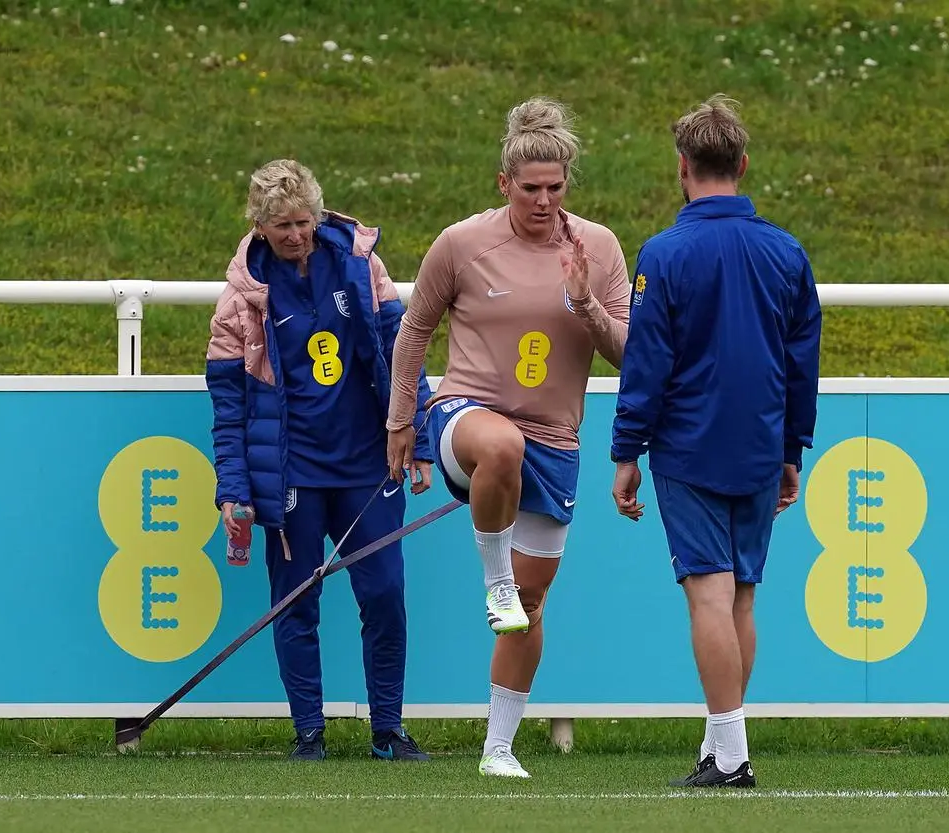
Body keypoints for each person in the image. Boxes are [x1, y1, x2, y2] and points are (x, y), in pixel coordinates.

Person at [384, 98, 632, 778]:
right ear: (504, 184)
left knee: (531, 605)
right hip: (469, 417)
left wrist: (586, 302)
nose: (545, 201)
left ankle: (498, 747)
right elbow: (414, 330)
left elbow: (631, 352)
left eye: (556, 188)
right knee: (501, 448)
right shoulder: (463, 243)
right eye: (531, 189)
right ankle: (492, 577)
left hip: (555, 438)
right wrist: (401, 418)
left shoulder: (599, 248)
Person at [609, 95, 823, 789]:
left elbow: (647, 362)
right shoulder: (786, 251)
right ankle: (719, 744)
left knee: (708, 595)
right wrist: (794, 446)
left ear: (683, 167)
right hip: (760, 443)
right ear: (743, 163)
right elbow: (802, 360)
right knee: (741, 600)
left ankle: (731, 756)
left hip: (690, 446)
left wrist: (625, 451)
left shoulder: (665, 254)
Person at [205, 158, 437, 763]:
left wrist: (420, 436)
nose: (295, 236)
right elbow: (229, 409)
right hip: (292, 475)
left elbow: (401, 349)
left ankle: (388, 730)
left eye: (303, 222)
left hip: (368, 465)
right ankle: (309, 733)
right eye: (280, 226)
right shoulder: (240, 302)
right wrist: (233, 487)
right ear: (259, 226)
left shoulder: (361, 265)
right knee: (295, 603)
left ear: (319, 214)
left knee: (385, 597)